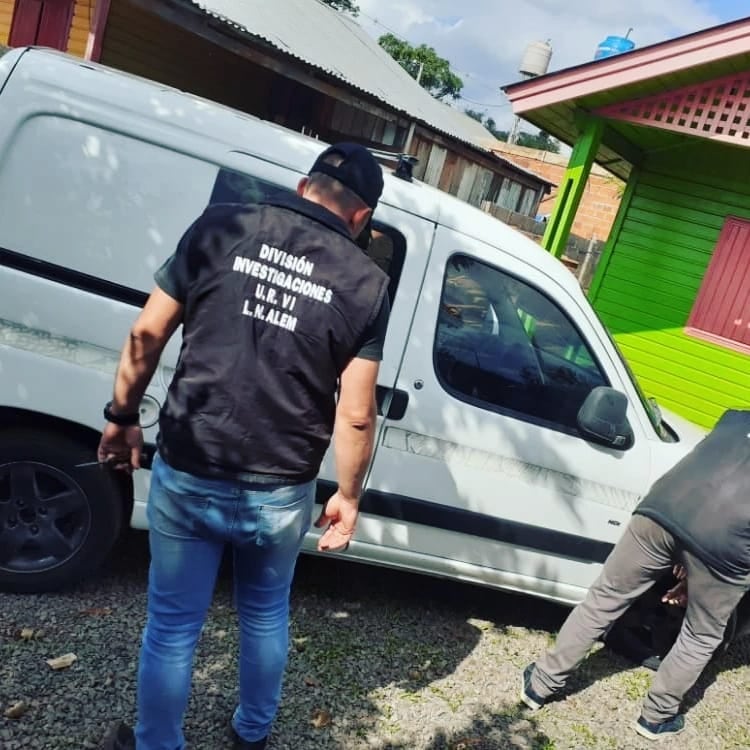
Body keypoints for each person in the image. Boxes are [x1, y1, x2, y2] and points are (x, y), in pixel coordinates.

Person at [96, 143, 391, 750]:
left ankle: (157, 745)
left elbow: (147, 331)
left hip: (191, 463)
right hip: (280, 487)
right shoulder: (367, 282)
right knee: (264, 616)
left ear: (304, 185)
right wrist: (349, 496)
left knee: (174, 629)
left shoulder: (222, 225)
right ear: (362, 218)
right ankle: (251, 735)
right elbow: (357, 414)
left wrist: (122, 416)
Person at [520, 409, 750, 741]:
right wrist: (704, 573)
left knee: (605, 597)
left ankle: (540, 684)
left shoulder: (734, 417)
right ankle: (655, 719)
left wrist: (689, 565)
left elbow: (709, 480)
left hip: (664, 508)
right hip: (727, 543)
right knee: (700, 635)